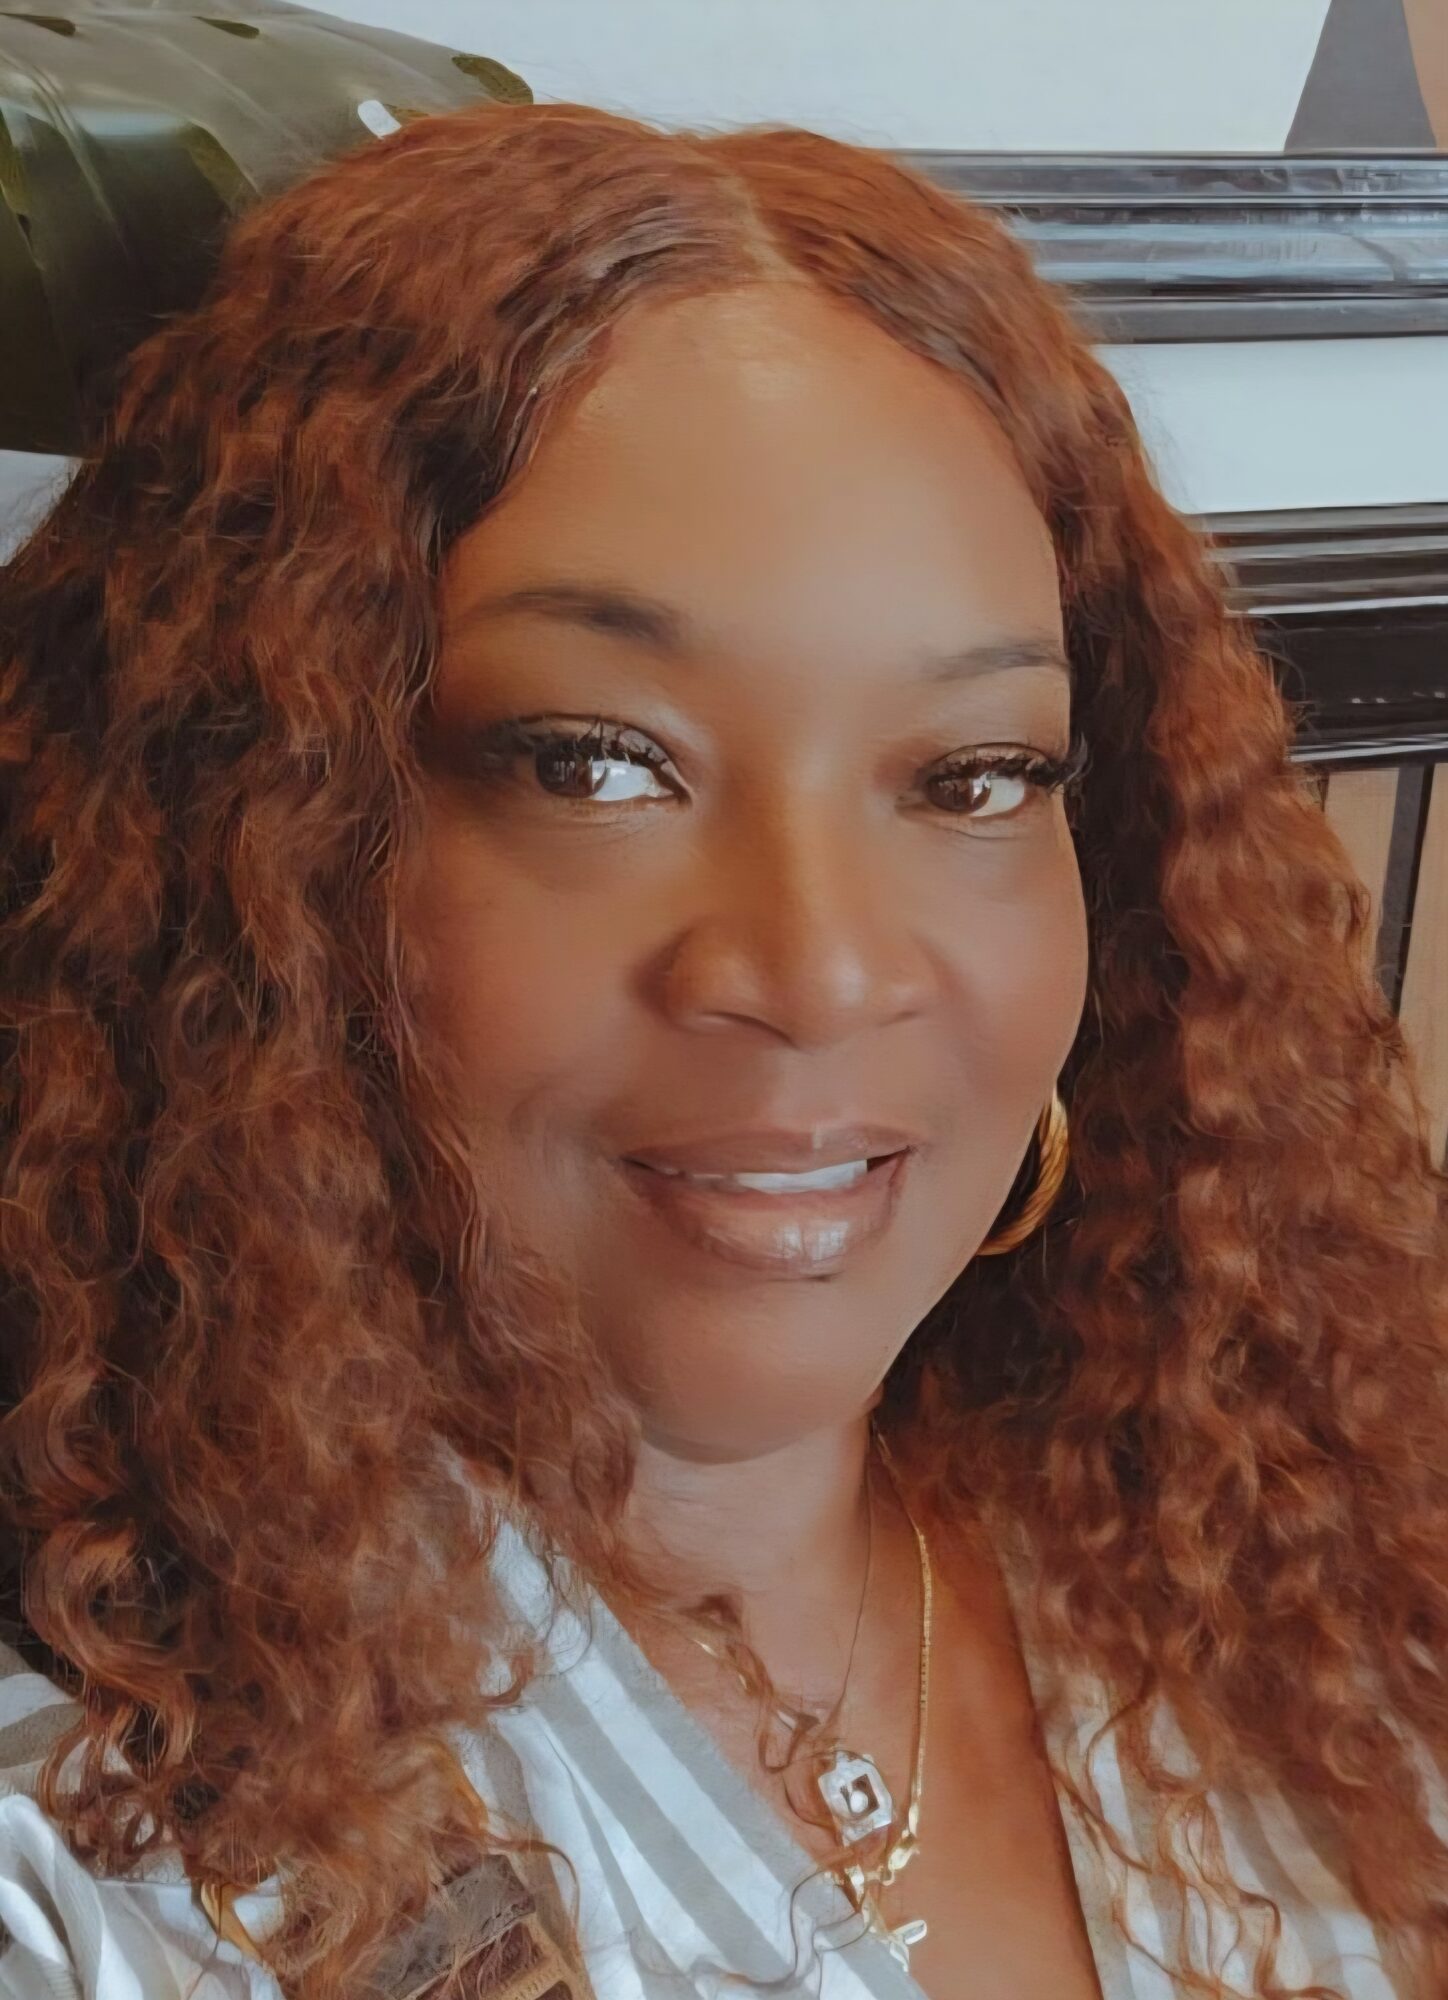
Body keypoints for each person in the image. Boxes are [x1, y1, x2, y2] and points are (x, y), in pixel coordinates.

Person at [0, 97, 1445, 2000]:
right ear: (239, 854)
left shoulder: (1315, 1566)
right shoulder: (79, 1862)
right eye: (594, 763)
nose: (823, 970)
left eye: (976, 775)